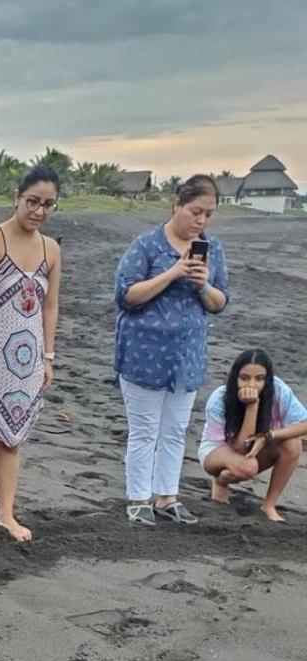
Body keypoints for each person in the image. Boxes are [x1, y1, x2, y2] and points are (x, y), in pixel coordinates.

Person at [114, 174, 229, 526]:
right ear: (177, 204)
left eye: (208, 214)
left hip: (187, 357)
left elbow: (220, 302)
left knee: (175, 429)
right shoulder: (147, 246)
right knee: (145, 430)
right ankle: (138, 498)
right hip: (143, 355)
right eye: (196, 211)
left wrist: (201, 284)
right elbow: (126, 296)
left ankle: (167, 496)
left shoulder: (213, 248)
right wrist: (172, 273)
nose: (201, 221)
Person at [0, 165, 62, 543]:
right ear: (17, 197)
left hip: (27, 358)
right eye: (32, 201)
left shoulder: (51, 249)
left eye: (48, 204)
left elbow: (49, 307)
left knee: (13, 440)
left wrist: (47, 357)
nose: (38, 211)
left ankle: (6, 513)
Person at [198, 348, 306, 522]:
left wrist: (268, 436)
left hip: (255, 448)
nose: (252, 385)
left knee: (292, 444)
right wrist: (252, 406)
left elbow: (304, 425)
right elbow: (241, 447)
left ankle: (269, 505)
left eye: (259, 379)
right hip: (218, 450)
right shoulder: (219, 398)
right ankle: (220, 480)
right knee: (247, 467)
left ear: (268, 379)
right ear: (235, 377)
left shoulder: (278, 390)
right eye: (245, 378)